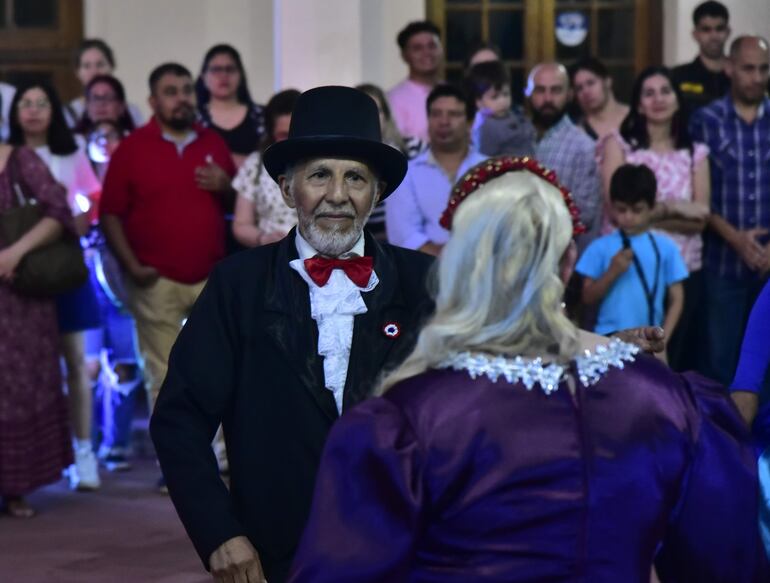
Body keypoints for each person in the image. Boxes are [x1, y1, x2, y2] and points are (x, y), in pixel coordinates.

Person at [287, 155, 765, 583]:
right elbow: (724, 559)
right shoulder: (667, 400)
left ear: (460, 264)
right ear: (569, 260)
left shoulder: (413, 418)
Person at [150, 86, 435, 583]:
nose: (338, 195)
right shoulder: (237, 286)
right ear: (287, 190)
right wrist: (218, 533)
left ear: (378, 194)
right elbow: (180, 420)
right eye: (320, 175)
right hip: (275, 555)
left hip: (401, 549)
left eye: (356, 178)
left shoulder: (423, 284)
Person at [100, 63, 235, 490]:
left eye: (184, 90)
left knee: (216, 371)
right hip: (154, 282)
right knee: (163, 377)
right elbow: (110, 215)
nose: (180, 98)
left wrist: (227, 186)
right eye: (170, 92)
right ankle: (176, 465)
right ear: (153, 101)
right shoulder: (131, 150)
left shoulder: (213, 144)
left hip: (210, 280)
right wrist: (132, 266)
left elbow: (241, 206)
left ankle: (219, 460)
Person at [9, 81, 104, 491]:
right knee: (25, 370)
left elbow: (93, 200)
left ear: (53, 110)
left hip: (61, 269)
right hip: (17, 276)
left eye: (41, 103)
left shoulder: (71, 154)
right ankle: (41, 458)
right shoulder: (9, 157)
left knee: (76, 363)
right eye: (25, 104)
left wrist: (78, 218)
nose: (33, 111)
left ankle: (83, 453)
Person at [598, 66, 711, 368]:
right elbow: (615, 209)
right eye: (649, 93)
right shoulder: (619, 146)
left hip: (683, 272)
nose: (658, 99)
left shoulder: (695, 153)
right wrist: (674, 209)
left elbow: (700, 219)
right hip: (629, 271)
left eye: (665, 91)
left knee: (678, 363)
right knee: (626, 366)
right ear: (638, 104)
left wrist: (649, 215)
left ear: (677, 99)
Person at [689, 36, 770, 389]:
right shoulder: (705, 120)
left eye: (764, 69)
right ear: (730, 69)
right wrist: (736, 239)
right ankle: (727, 445)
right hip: (723, 261)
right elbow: (698, 196)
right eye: (748, 68)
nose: (756, 77)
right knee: (721, 365)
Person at [0, 143, 75, 517]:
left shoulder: (19, 159)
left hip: (19, 297)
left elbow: (59, 211)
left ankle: (15, 488)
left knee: (17, 389)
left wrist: (14, 253)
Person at [577, 164, 687, 341]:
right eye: (621, 209)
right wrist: (612, 272)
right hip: (606, 339)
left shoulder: (666, 247)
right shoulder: (599, 247)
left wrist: (663, 338)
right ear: (611, 206)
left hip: (648, 340)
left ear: (652, 207)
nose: (628, 217)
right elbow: (587, 298)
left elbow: (677, 299)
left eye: (637, 210)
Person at [386, 84, 486, 255]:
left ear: (470, 122)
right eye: (436, 114)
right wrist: (450, 258)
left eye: (453, 114)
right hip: (423, 271)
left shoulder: (488, 170)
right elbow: (403, 235)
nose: (444, 122)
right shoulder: (406, 174)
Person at [527, 63, 601, 247]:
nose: (547, 98)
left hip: (560, 254)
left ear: (569, 95)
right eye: (540, 90)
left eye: (556, 91)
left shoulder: (583, 147)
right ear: (529, 94)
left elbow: (585, 214)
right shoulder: (515, 138)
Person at [231, 89, 300, 248]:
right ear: (271, 133)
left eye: (294, 133)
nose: (290, 141)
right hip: (270, 256)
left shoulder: (320, 164)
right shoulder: (255, 165)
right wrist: (263, 239)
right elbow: (241, 224)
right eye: (283, 134)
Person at [195, 44, 265, 169]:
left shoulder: (261, 116)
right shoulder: (193, 118)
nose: (224, 75)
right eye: (216, 69)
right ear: (203, 76)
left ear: (240, 75)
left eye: (230, 69)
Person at [356, 83, 408, 239]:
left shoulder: (414, 148)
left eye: (376, 110)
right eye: (362, 110)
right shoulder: (345, 160)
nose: (370, 116)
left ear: (386, 115)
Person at [671, 1, 731, 122]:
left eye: (719, 29)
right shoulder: (677, 77)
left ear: (728, 32)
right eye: (706, 29)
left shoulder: (742, 76)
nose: (714, 36)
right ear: (695, 34)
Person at [65, 39, 143, 129]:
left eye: (100, 64)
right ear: (77, 72)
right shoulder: (68, 114)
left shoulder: (131, 111)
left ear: (112, 67)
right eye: (87, 66)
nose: (94, 72)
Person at [388, 21, 444, 144]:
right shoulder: (394, 99)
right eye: (418, 48)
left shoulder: (452, 92)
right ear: (404, 55)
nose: (427, 53)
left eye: (432, 46)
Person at [464, 60, 536, 157]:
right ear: (479, 102)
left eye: (506, 94)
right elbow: (484, 158)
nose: (503, 102)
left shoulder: (516, 114)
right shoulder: (485, 126)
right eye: (495, 97)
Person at [569, 57, 629, 141]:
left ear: (608, 81)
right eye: (579, 88)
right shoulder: (578, 133)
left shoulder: (635, 117)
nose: (586, 92)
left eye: (591, 83)